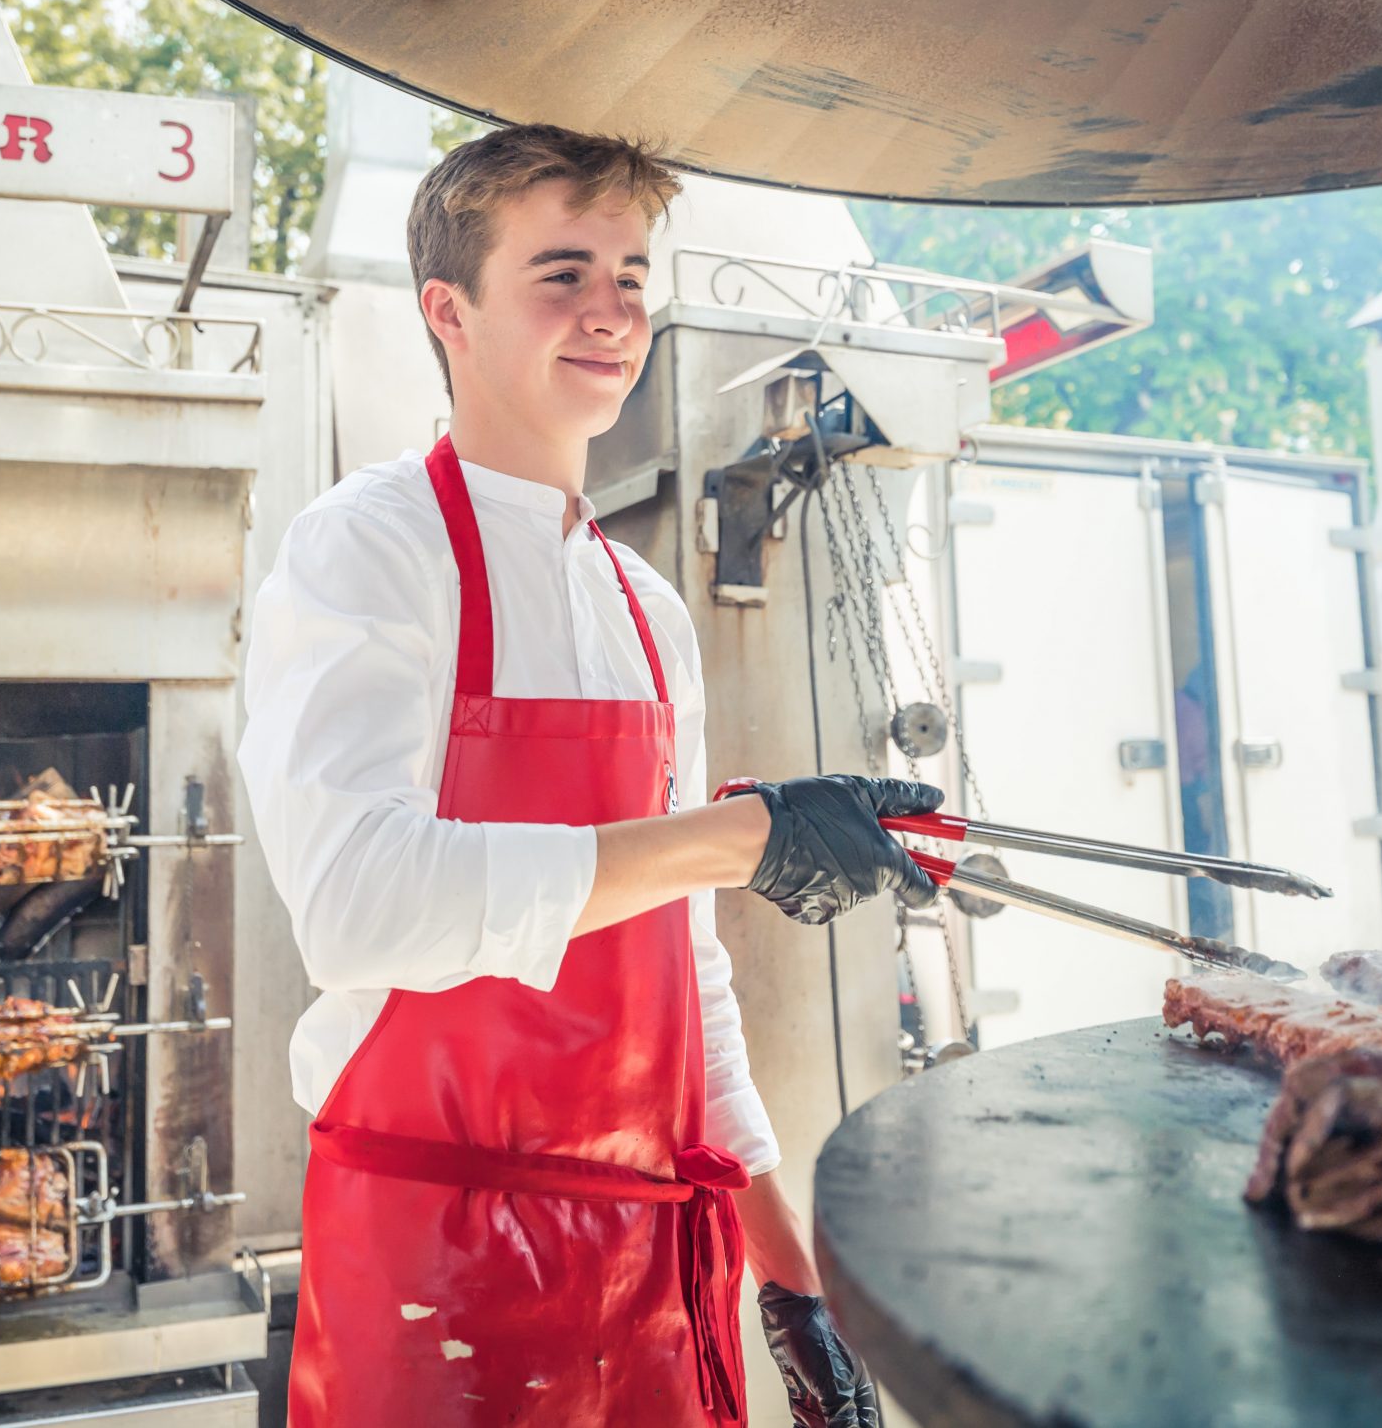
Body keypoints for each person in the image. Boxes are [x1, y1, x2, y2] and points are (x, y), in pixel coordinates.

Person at [238, 124, 942, 1427]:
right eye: (562, 274)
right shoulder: (372, 549)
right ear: (449, 311)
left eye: (629, 276)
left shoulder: (646, 608)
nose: (611, 312)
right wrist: (737, 836)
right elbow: (358, 907)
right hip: (436, 1259)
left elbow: (685, 968)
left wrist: (789, 1273)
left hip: (644, 1250)